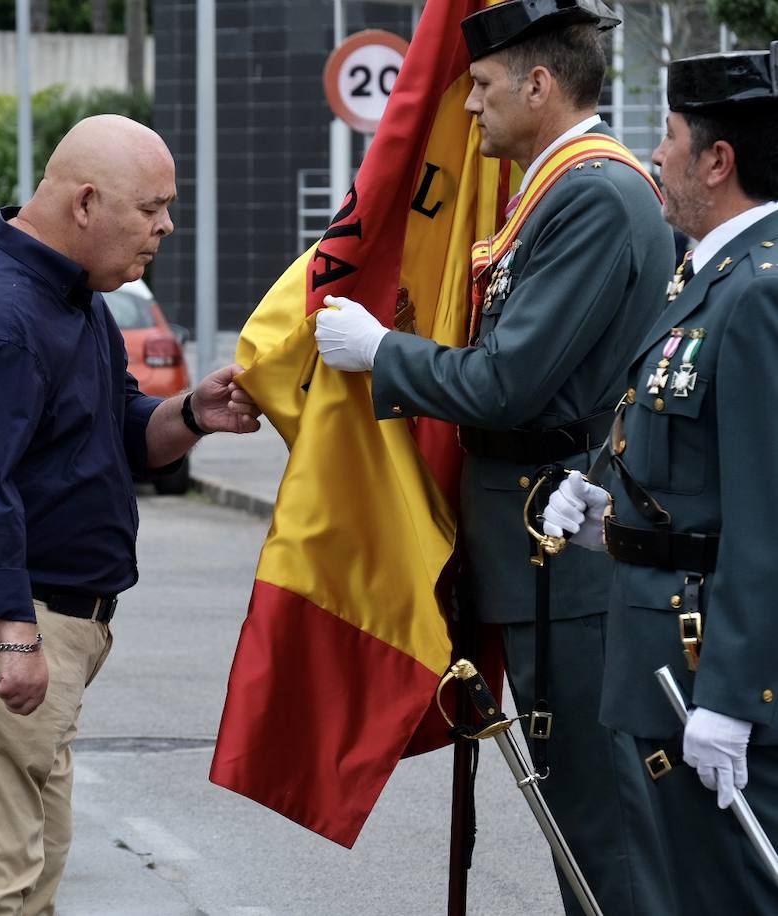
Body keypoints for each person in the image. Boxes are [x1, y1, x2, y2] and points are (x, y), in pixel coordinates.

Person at [314, 3, 675, 913]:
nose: (468, 108)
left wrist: (381, 353)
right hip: (536, 556)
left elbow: (513, 382)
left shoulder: (593, 192)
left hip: (569, 567)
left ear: (539, 86)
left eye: (480, 87)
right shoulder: (555, 188)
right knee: (575, 806)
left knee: (600, 820)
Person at [0, 114, 261, 914]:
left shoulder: (70, 295)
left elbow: (114, 430)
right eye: (153, 207)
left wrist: (189, 412)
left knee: (25, 880)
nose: (167, 225)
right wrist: (14, 632)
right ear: (86, 202)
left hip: (24, 626)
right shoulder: (3, 314)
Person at [543, 42, 778, 914]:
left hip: (706, 667)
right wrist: (613, 502)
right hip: (661, 654)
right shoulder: (710, 274)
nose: (656, 154)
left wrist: (731, 700)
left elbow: (766, 515)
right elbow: (697, 459)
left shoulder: (757, 292)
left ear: (717, 161)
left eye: (671, 135)